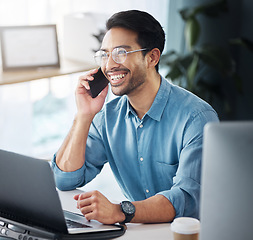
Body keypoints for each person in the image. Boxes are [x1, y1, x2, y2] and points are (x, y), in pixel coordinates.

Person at [51, 10, 219, 225]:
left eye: (120, 53)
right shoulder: (107, 118)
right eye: (104, 54)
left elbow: (187, 200)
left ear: (152, 57)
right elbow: (65, 179)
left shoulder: (197, 118)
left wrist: (121, 211)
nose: (109, 65)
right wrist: (84, 115)